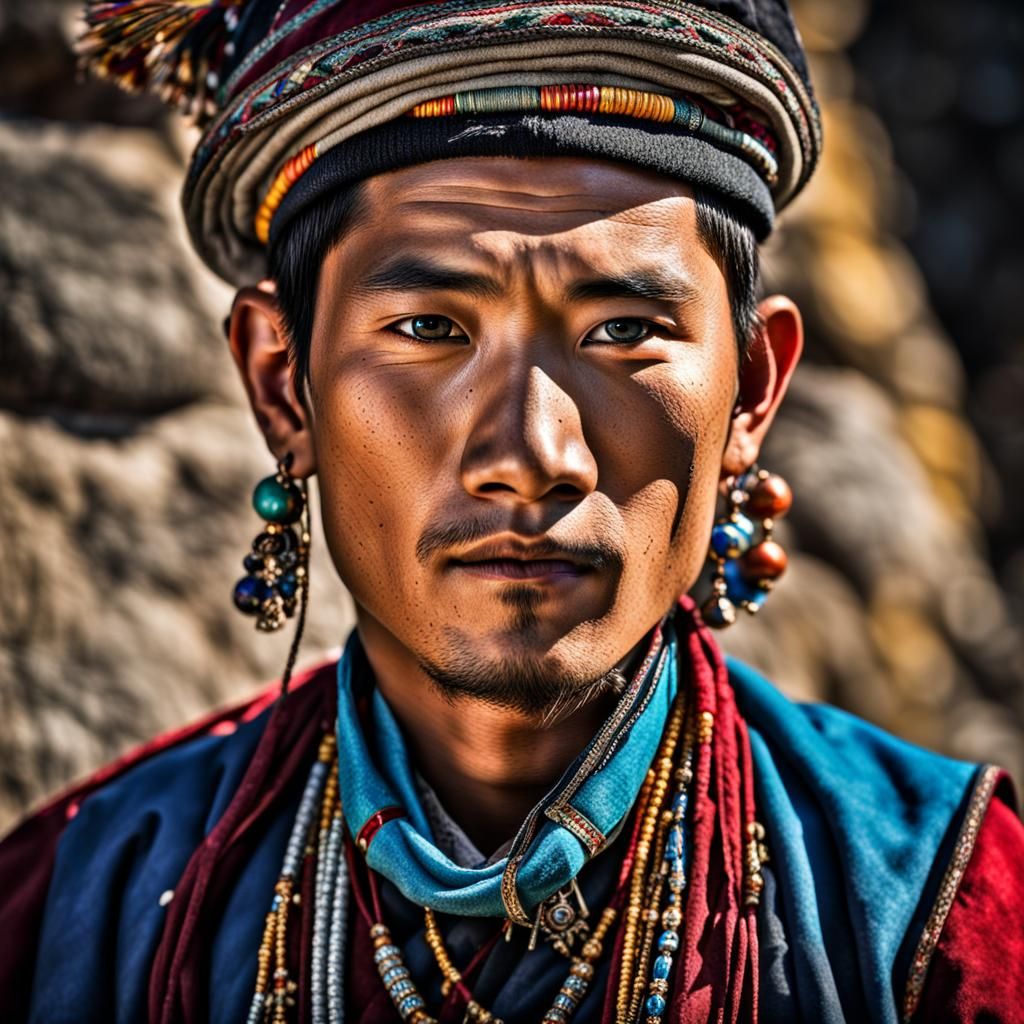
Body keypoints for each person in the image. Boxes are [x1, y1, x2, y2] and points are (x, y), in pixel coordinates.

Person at [1, 1, 1022, 1021]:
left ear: (751, 391)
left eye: (624, 328)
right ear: (282, 385)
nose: (533, 456)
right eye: (428, 327)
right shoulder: (78, 905)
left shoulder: (949, 904)